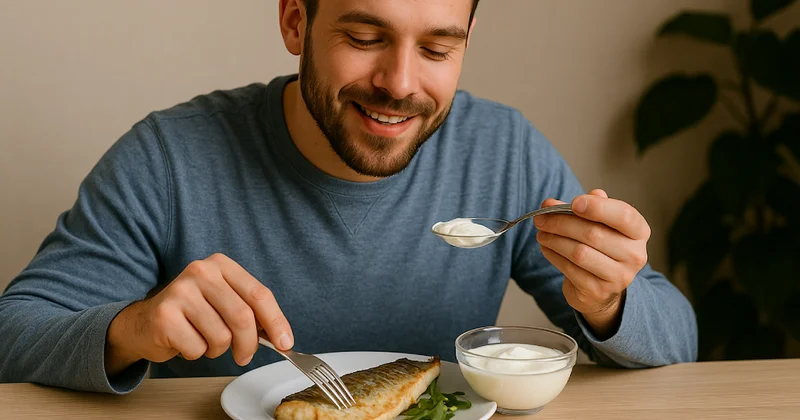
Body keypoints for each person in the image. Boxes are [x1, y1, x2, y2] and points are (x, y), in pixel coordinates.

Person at [0, 0, 697, 395]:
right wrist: (132, 329)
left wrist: (609, 302)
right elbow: (13, 334)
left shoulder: (502, 150)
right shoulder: (170, 157)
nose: (400, 83)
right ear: (295, 22)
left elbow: (679, 340)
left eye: (437, 50)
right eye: (365, 38)